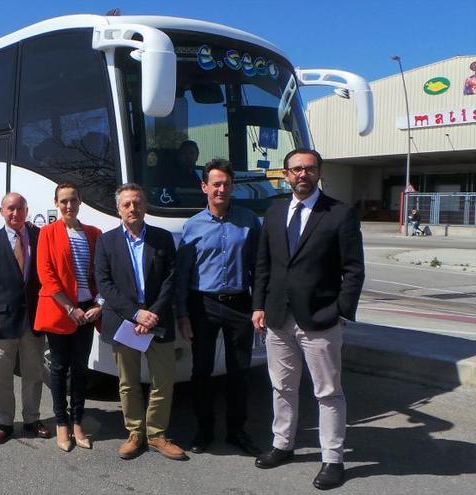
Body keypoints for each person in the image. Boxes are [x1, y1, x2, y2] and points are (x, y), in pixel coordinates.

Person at [251, 149, 365, 490]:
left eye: (309, 168)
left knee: (328, 392)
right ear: (285, 174)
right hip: (277, 317)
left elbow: (354, 270)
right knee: (281, 387)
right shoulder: (272, 214)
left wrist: (340, 311)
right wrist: (259, 305)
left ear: (319, 173)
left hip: (320, 319)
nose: (303, 174)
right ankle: (283, 444)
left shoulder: (340, 214)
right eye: (296, 169)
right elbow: (263, 266)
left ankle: (333, 458)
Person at [175, 159, 262, 456]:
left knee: (239, 372)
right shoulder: (193, 226)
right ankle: (204, 429)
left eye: (226, 184)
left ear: (232, 187)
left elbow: (259, 268)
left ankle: (237, 430)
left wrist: (258, 305)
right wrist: (183, 314)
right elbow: (183, 276)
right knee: (202, 371)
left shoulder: (249, 221)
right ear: (205, 188)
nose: (221, 189)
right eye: (215, 184)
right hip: (203, 305)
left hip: (240, 304)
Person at [94, 183, 185, 461]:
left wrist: (152, 313)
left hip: (158, 320)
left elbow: (172, 277)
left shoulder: (163, 238)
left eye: (137, 203)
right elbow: (105, 284)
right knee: (128, 383)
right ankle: (135, 433)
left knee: (163, 381)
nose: (133, 208)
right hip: (125, 323)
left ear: (145, 205)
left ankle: (157, 434)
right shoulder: (106, 241)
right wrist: (136, 314)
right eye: (127, 204)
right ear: (119, 209)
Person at [34, 183, 102, 452]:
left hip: (87, 309)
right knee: (59, 369)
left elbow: (101, 274)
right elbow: (46, 275)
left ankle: (77, 423)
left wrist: (97, 304)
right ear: (56, 203)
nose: (69, 205)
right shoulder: (47, 233)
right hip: (61, 310)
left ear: (80, 201)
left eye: (73, 200)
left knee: (81, 369)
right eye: (63, 201)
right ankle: (61, 423)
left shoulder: (94, 234)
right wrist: (69, 308)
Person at [0, 192, 49, 444]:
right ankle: (4, 423)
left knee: (34, 374)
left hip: (34, 320)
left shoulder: (41, 238)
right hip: (2, 322)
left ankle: (32, 419)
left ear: (27, 210)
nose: (15, 213)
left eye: (20, 208)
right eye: (10, 209)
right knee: (2, 378)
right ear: (1, 211)